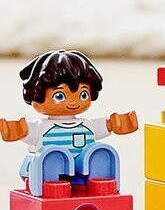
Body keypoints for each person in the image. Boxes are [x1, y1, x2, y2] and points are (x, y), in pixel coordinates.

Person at [0, 49, 138, 187]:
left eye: (83, 94)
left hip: (82, 172)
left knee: (98, 153)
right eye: (59, 96)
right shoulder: (41, 128)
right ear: (35, 95)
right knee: (51, 156)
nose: (73, 102)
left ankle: (97, 183)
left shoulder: (87, 125)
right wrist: (19, 130)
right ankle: (53, 185)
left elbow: (106, 125)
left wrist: (115, 123)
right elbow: (28, 131)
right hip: (49, 173)